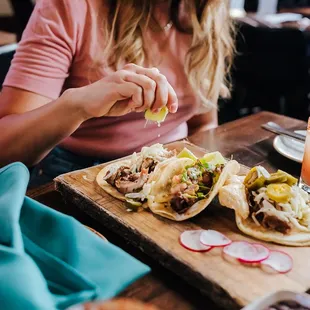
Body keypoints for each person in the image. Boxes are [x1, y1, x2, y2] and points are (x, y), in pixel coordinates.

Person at [0, 0, 235, 187]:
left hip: (172, 164)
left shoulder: (205, 12)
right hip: (72, 169)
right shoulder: (69, 7)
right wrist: (77, 105)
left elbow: (203, 125)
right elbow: (6, 148)